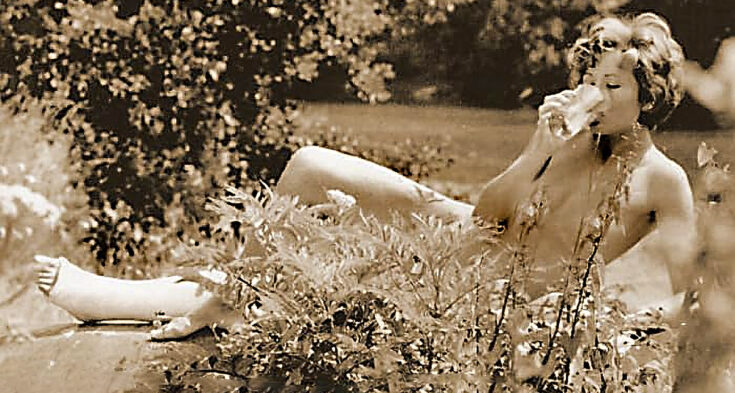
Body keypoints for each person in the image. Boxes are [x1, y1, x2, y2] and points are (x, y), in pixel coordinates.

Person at [35, 12, 696, 340]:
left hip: (504, 305)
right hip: (463, 244)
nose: (593, 94)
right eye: (589, 79)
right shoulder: (565, 138)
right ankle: (225, 298)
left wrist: (604, 327)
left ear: (651, 94)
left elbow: (691, 299)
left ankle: (110, 298)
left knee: (314, 281)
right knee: (308, 167)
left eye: (613, 85)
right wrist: (534, 151)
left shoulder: (662, 181)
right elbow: (486, 216)